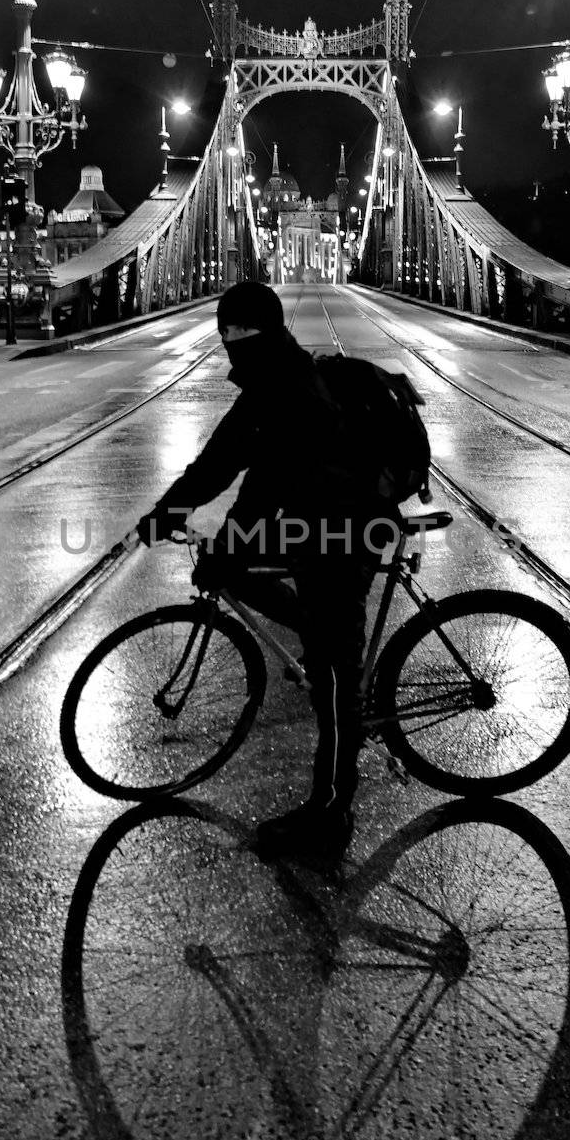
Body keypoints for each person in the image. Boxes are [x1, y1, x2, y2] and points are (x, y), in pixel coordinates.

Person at [136, 281, 394, 861]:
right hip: (314, 523)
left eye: (239, 331)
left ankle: (331, 815)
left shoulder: (291, 389)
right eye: (225, 331)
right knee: (236, 570)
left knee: (331, 677)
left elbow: (263, 487)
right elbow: (217, 464)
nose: (230, 341)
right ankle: (314, 634)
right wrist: (163, 516)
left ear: (263, 332)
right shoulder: (266, 381)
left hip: (348, 530)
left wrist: (230, 544)